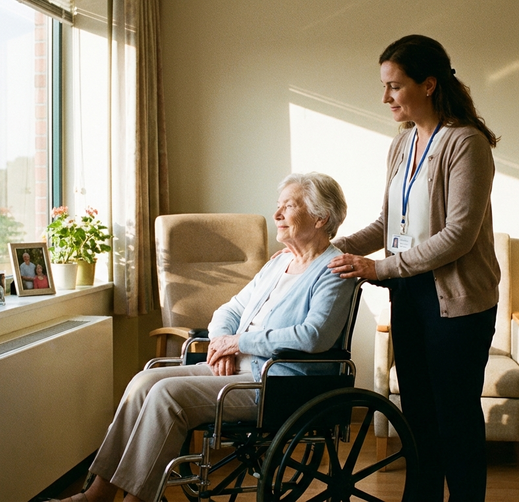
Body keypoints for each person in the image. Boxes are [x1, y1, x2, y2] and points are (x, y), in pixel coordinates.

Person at [53, 172, 355, 502]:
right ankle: (96, 494)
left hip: (276, 383)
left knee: (167, 395)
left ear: (321, 217)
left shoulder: (334, 271)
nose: (277, 214)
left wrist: (238, 343)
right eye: (278, 205)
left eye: (289, 206)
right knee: (143, 383)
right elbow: (229, 310)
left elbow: (313, 336)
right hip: (237, 368)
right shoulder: (279, 263)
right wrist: (221, 343)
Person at [327, 34, 500, 501]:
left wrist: (378, 269)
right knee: (418, 417)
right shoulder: (402, 144)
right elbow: (387, 224)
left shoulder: (466, 144)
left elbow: (458, 237)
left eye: (395, 86)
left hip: (457, 303)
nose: (385, 97)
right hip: (409, 295)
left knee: (455, 418)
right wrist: (329, 248)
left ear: (428, 84)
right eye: (384, 86)